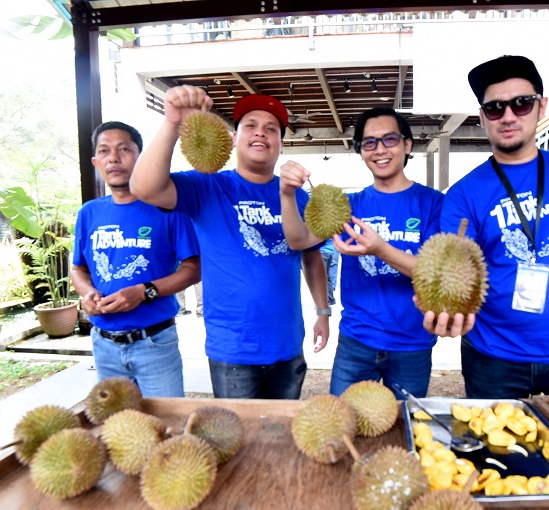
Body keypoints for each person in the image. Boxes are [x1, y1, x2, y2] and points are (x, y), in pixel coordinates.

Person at [423, 54, 549, 399]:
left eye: (521, 104)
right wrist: (444, 312)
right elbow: (452, 269)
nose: (507, 116)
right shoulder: (464, 193)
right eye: (495, 108)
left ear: (541, 106)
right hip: (493, 356)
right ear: (482, 118)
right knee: (498, 451)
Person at [129, 89, 330, 400]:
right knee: (238, 442)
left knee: (279, 438)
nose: (261, 132)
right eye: (251, 125)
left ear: (280, 143)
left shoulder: (297, 195)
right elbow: (144, 187)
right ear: (235, 138)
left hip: (287, 345)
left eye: (271, 128)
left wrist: (322, 311)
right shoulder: (207, 187)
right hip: (232, 349)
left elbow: (312, 257)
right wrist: (171, 124)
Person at [281, 107, 444, 398]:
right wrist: (286, 194)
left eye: (389, 139)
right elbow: (299, 241)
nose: (379, 149)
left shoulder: (434, 204)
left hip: (413, 342)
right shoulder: (348, 204)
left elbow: (436, 273)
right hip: (357, 339)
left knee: (404, 427)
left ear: (407, 145)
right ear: (360, 151)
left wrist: (380, 249)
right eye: (369, 142)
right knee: (343, 426)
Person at [71, 121, 201, 397]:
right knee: (116, 428)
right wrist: (88, 293)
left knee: (165, 426)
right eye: (104, 151)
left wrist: (145, 291)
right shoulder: (89, 213)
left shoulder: (168, 209)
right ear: (96, 162)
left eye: (124, 149)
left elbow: (193, 268)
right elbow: (78, 269)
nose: (114, 158)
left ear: (140, 157)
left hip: (154, 343)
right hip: (104, 345)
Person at [320, 238, 339, 306]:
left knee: (320, 278)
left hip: (323, 252)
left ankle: (325, 301)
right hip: (330, 251)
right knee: (326, 277)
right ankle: (330, 299)